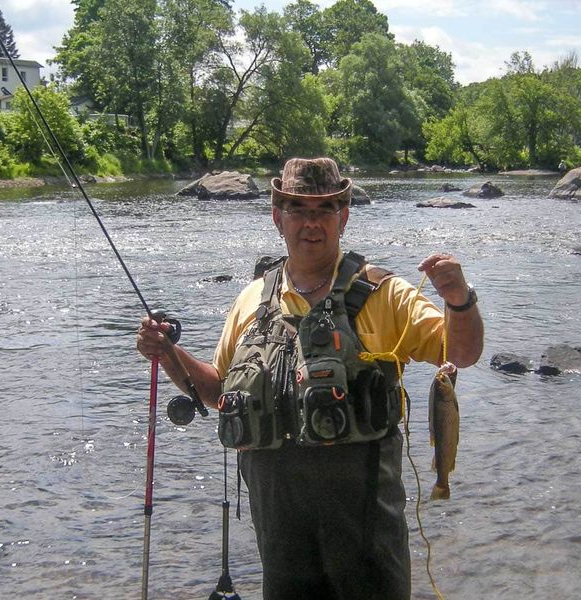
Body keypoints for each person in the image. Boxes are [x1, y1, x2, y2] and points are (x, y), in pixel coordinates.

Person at [136, 157, 484, 599]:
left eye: (324, 209)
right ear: (277, 217)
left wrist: (459, 300)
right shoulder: (251, 300)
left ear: (344, 217)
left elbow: (461, 354)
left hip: (367, 534)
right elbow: (218, 391)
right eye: (298, 209)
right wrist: (168, 353)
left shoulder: (386, 294)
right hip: (281, 536)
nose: (311, 223)